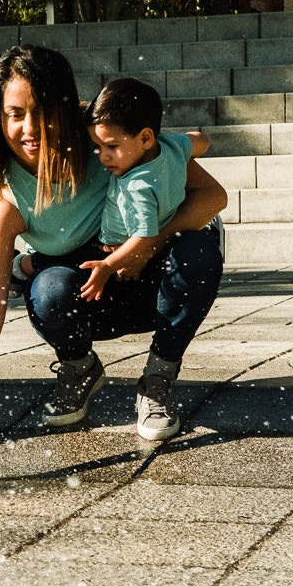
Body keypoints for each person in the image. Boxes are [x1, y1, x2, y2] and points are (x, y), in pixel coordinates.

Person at [0, 46, 228, 476]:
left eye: (42, 111)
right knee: (48, 290)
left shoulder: (103, 135)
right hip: (94, 289)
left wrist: (151, 242)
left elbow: (213, 196)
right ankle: (80, 368)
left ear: (67, 107)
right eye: (15, 114)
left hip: (157, 273)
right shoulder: (5, 198)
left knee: (198, 250)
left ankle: (158, 378)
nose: (29, 128)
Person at [76, 78, 211, 441]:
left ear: (146, 138)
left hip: (120, 254)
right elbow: (201, 139)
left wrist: (107, 266)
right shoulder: (171, 147)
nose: (103, 157)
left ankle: (155, 381)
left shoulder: (138, 184)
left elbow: (144, 236)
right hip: (147, 253)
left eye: (112, 147)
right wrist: (192, 145)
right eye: (98, 146)